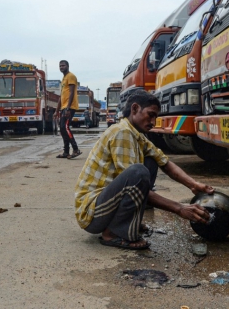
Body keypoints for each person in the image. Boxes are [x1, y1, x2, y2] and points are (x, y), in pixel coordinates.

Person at [74, 90, 214, 250]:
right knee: (138, 173)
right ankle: (112, 233)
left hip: (105, 204)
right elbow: (134, 184)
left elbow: (164, 162)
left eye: (156, 117)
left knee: (151, 161)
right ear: (134, 109)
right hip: (91, 213)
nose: (153, 122)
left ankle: (127, 222)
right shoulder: (123, 132)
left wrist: (193, 185)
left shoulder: (137, 135)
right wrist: (179, 208)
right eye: (150, 115)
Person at [55, 60, 81, 159]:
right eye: (60, 66)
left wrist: (68, 108)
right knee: (62, 128)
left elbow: (71, 93)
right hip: (63, 107)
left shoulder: (71, 76)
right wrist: (56, 111)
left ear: (68, 66)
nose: (61, 67)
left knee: (65, 127)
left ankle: (75, 149)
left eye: (63, 65)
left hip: (69, 107)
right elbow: (61, 96)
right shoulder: (64, 79)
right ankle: (66, 151)